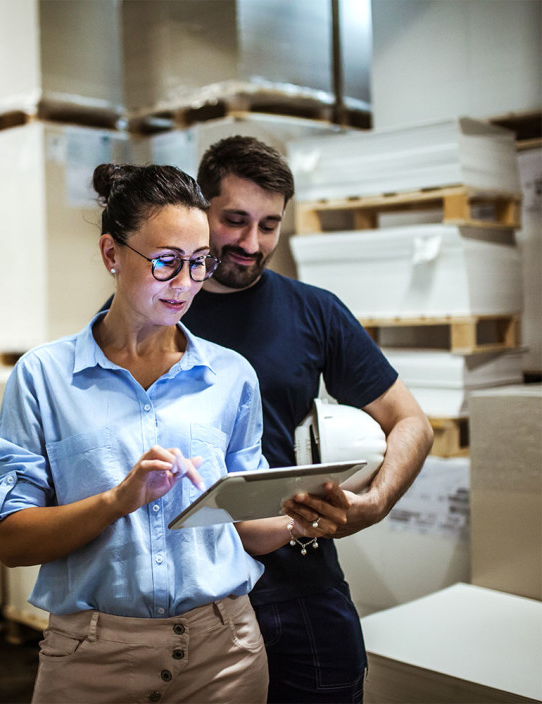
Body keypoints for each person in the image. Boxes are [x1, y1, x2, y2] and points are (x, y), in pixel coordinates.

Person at [0, 163, 350, 704]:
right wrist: (117, 499)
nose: (185, 284)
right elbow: (11, 540)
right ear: (112, 254)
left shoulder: (232, 376)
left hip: (225, 652)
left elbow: (240, 528)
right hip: (93, 658)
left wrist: (300, 519)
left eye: (199, 263)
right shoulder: (44, 377)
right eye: (165, 263)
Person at [178, 136, 435, 703]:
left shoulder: (312, 310)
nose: (252, 243)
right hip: (187, 587)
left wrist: (373, 504)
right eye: (235, 221)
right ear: (201, 211)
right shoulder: (155, 311)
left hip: (298, 580)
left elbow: (411, 422)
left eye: (269, 225)